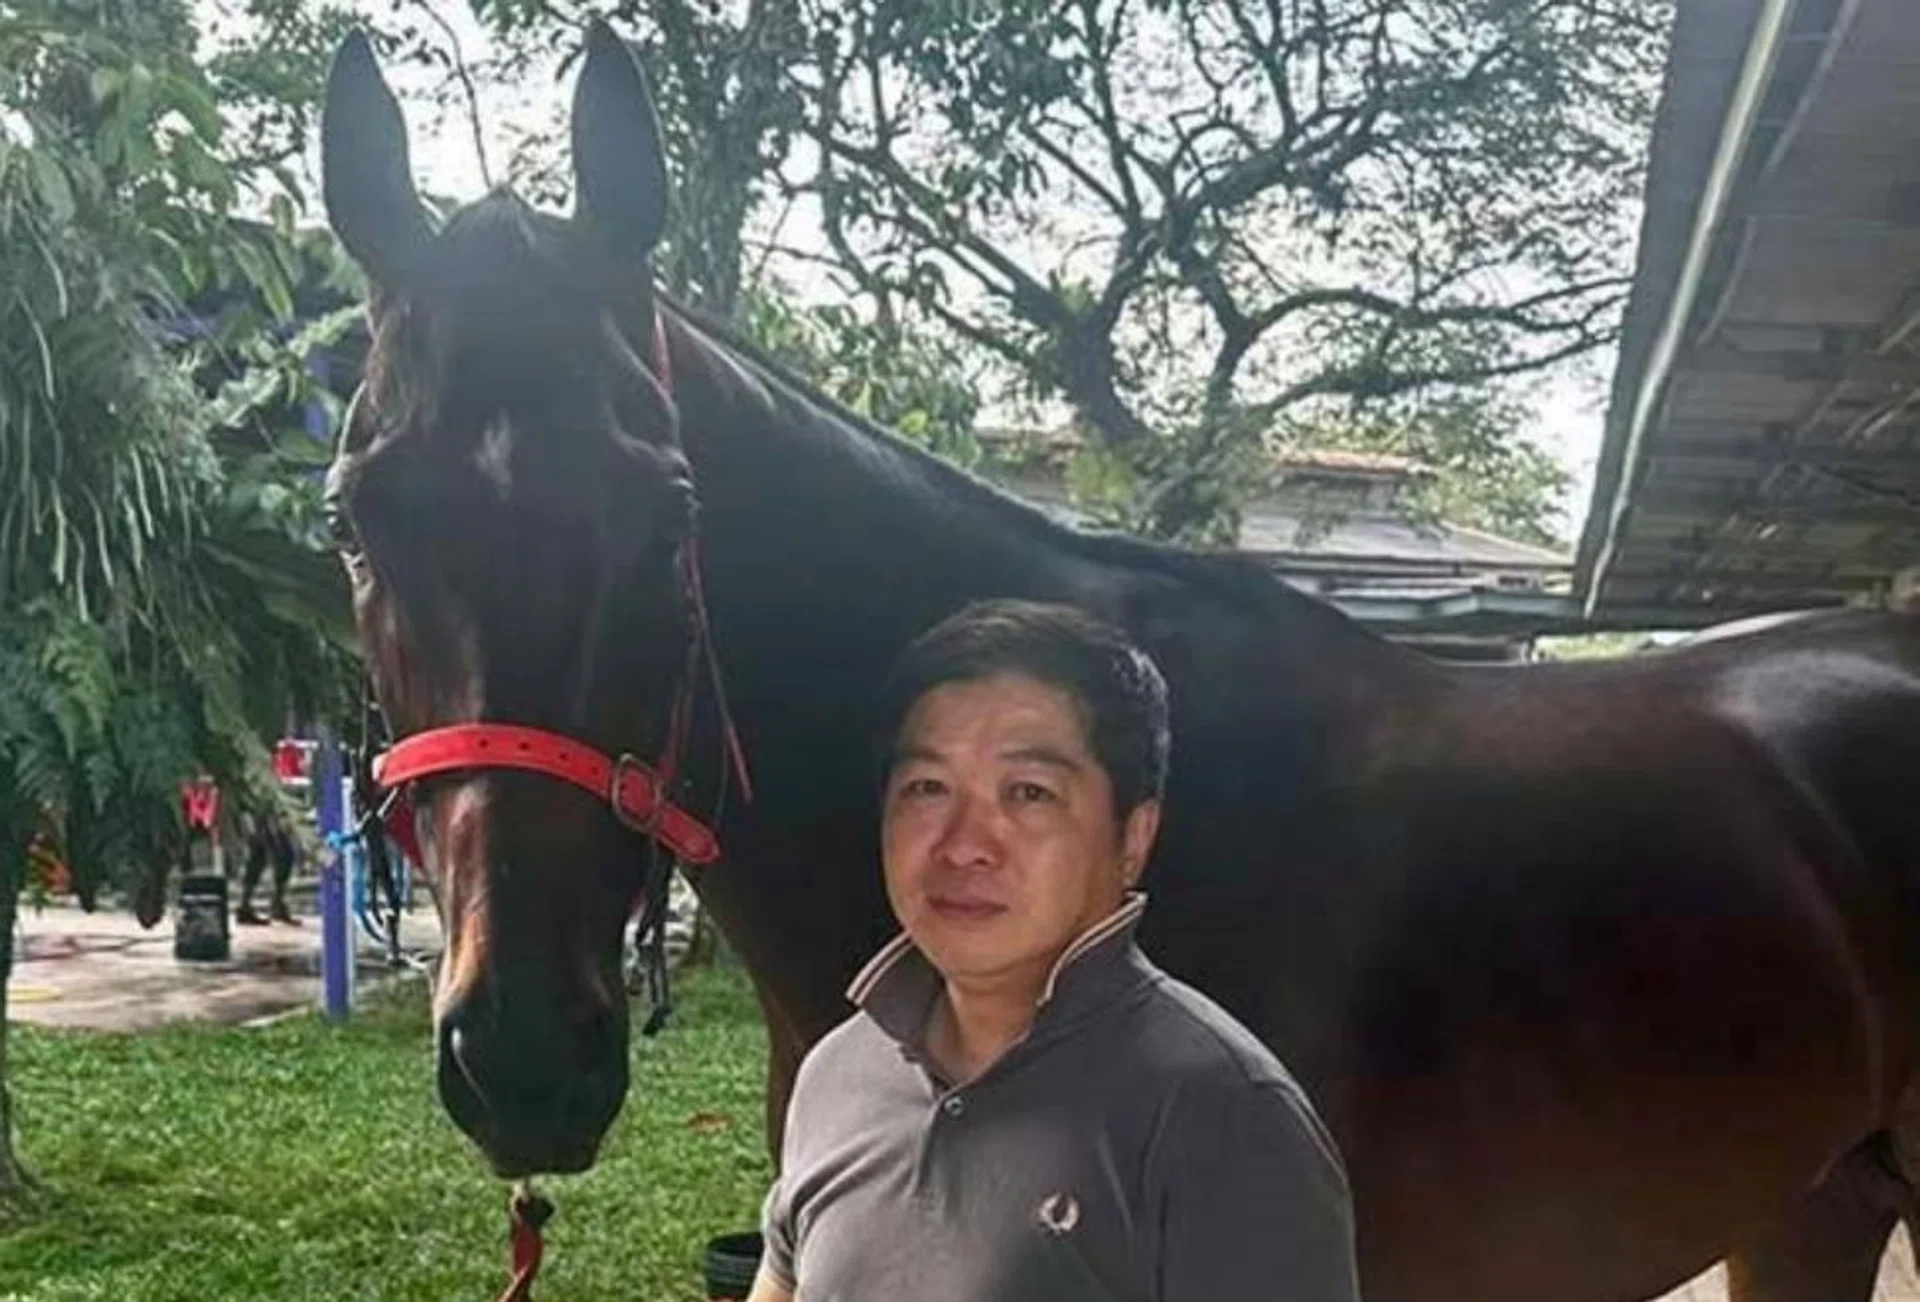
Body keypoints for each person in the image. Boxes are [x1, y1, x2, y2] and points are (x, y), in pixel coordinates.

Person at [747, 599, 1360, 1302]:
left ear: (1133, 838)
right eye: (928, 788)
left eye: (1029, 793)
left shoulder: (1224, 1119)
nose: (964, 845)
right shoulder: (838, 1074)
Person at [236, 802, 299, 926]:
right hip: (262, 812)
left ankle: (250, 905)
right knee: (274, 856)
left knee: (262, 857)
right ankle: (270, 904)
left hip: (261, 811)